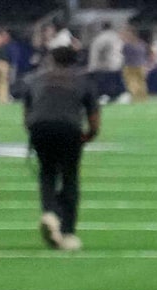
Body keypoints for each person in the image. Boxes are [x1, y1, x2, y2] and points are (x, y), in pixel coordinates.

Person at [24, 38, 98, 252]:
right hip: (69, 128)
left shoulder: (35, 78)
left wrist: (35, 135)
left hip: (40, 128)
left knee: (47, 173)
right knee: (69, 177)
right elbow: (94, 119)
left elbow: (27, 115)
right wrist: (87, 137)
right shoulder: (83, 81)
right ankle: (67, 232)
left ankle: (50, 212)